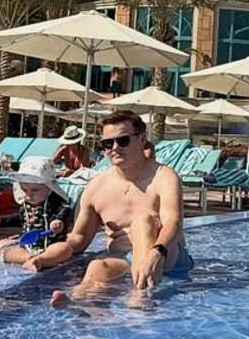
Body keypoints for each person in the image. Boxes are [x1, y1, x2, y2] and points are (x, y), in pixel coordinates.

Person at [27, 111, 191, 301]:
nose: (114, 148)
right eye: (107, 143)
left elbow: (173, 221)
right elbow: (79, 238)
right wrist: (44, 254)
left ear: (142, 139)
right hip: (123, 259)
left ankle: (140, 301)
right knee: (97, 267)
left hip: (166, 257)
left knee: (143, 220)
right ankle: (81, 305)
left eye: (123, 141)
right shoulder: (97, 186)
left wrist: (157, 252)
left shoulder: (164, 177)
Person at [0, 157, 74, 264]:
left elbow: (66, 210)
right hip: (27, 245)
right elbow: (19, 218)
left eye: (35, 190)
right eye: (24, 190)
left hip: (51, 245)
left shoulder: (56, 203)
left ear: (50, 188)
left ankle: (42, 260)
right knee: (0, 245)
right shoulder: (26, 205)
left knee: (64, 248)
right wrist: (1, 220)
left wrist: (59, 220)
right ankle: (28, 258)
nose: (29, 194)